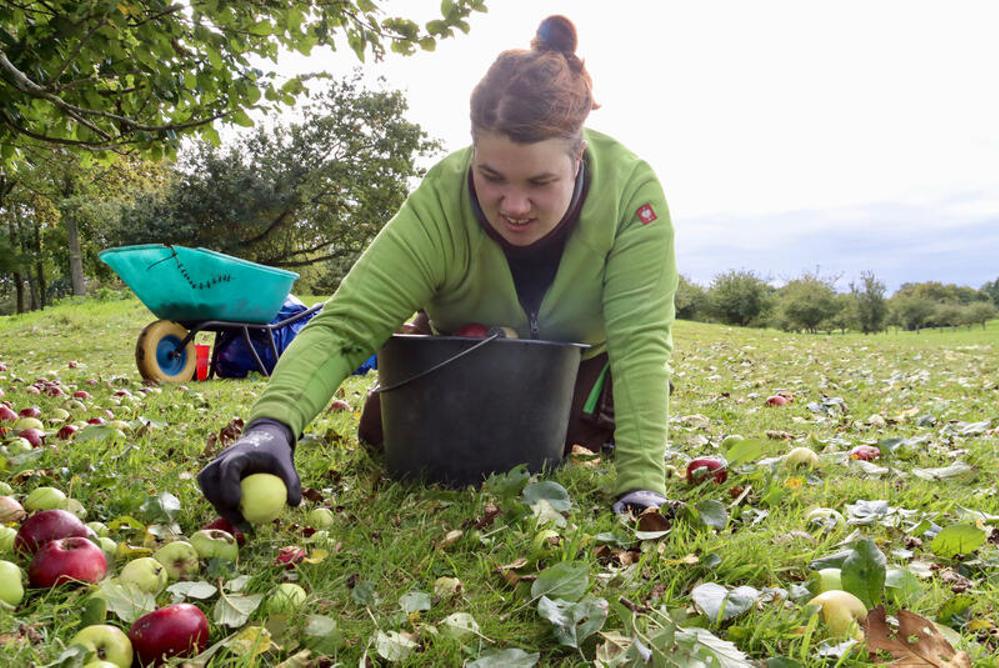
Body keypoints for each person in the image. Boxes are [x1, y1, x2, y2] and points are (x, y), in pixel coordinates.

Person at [197, 15, 678, 527]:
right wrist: (270, 427)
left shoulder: (631, 195)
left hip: (580, 372)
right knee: (389, 435)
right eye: (491, 176)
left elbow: (640, 344)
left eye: (540, 182)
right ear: (473, 151)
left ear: (577, 158)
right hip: (462, 358)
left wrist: (641, 486)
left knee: (544, 449)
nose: (514, 206)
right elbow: (345, 326)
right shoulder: (441, 199)